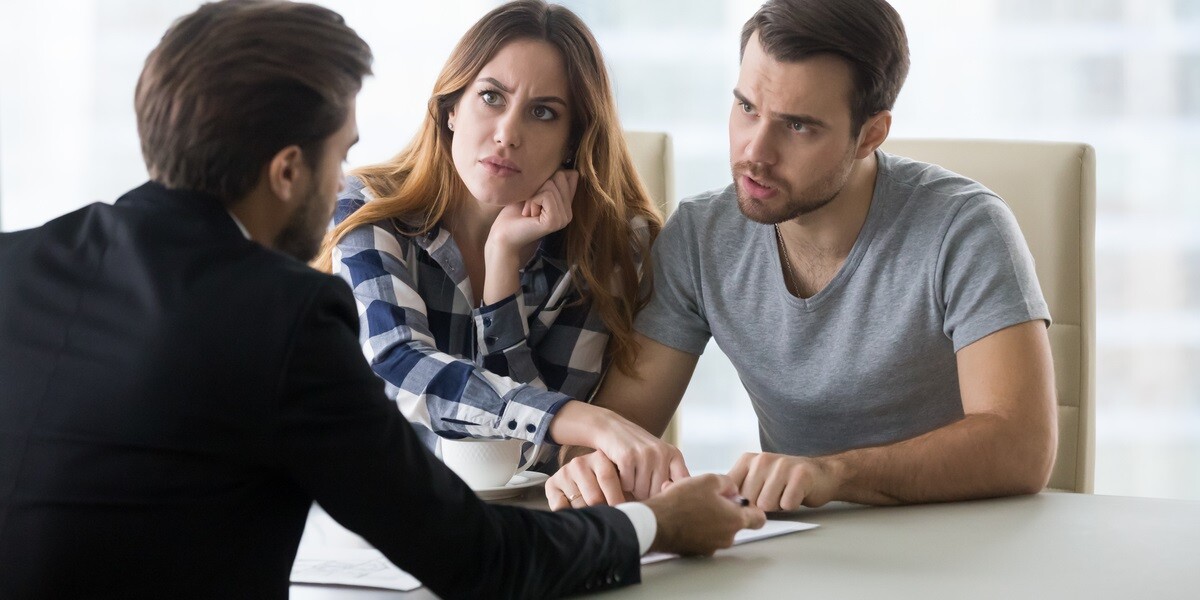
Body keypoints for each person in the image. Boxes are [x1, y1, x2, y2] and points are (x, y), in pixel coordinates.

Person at [0, 2, 764, 598]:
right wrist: (654, 525)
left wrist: (502, 279)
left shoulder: (15, 260)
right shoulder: (287, 314)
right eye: (343, 152)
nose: (346, 180)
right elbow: (481, 562)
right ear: (289, 171)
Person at [547, 0, 1057, 512]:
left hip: (968, 542)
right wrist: (593, 464)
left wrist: (832, 473)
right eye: (747, 108)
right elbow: (616, 428)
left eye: (798, 127)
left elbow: (1022, 449)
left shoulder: (964, 227)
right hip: (800, 546)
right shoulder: (701, 237)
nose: (755, 152)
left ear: (872, 134)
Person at [316, 0, 685, 502]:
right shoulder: (367, 209)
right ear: (451, 109)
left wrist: (501, 272)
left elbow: (534, 457)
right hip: (380, 520)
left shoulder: (610, 248)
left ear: (572, 140)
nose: (508, 134)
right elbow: (399, 367)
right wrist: (571, 419)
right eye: (491, 97)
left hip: (532, 525)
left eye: (542, 113)